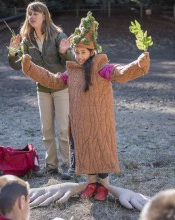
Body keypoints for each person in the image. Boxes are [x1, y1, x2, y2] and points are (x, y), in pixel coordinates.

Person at [21, 11, 150, 201]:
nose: (80, 56)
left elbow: (120, 72)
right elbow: (52, 80)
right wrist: (30, 68)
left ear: (92, 51)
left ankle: (104, 184)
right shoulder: (71, 72)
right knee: (84, 148)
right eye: (77, 52)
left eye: (83, 52)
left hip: (99, 120)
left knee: (100, 148)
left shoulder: (102, 68)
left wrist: (138, 65)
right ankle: (91, 182)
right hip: (80, 121)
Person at [8, 1, 74, 179]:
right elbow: (16, 65)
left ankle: (68, 165)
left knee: (63, 129)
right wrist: (13, 52)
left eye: (35, 13)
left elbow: (73, 60)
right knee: (46, 130)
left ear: (44, 15)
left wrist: (65, 52)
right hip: (42, 89)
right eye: (29, 14)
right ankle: (51, 166)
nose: (31, 17)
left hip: (61, 87)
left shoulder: (58, 35)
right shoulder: (26, 39)